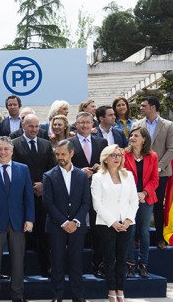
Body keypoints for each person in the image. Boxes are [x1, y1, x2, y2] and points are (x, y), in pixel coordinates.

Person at [0, 136, 34, 302]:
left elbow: (28, 197)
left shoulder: (23, 169)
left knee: (18, 261)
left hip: (18, 222)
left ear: (12, 151)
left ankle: (18, 295)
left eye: (6, 149)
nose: (3, 152)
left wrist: (29, 219)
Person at [42, 139, 91, 302]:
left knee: (76, 262)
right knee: (57, 262)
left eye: (63, 154)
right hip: (57, 227)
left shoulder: (81, 175)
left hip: (77, 227)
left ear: (71, 153)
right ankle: (57, 296)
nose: (60, 157)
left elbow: (86, 201)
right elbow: (48, 203)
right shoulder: (48, 176)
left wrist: (75, 221)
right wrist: (64, 222)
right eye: (57, 154)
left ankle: (78, 296)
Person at [91, 145, 139, 302]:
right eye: (113, 155)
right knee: (110, 259)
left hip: (127, 224)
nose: (117, 158)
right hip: (106, 224)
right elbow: (97, 204)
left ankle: (121, 290)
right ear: (105, 158)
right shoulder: (98, 177)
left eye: (119, 155)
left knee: (123, 257)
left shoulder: (128, 175)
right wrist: (113, 222)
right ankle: (111, 289)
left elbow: (134, 200)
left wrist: (128, 220)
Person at [12, 113, 56, 278]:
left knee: (44, 234)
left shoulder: (46, 144)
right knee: (22, 235)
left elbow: (52, 168)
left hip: (43, 196)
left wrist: (43, 185)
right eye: (31, 126)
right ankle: (19, 270)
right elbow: (15, 168)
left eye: (37, 126)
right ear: (23, 126)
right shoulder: (15, 144)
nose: (34, 129)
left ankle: (46, 267)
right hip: (23, 196)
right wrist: (31, 186)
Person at [68, 111, 108, 278]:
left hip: (97, 191)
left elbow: (110, 165)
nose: (85, 125)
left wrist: (102, 168)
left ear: (93, 124)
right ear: (76, 125)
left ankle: (98, 264)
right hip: (75, 191)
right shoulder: (68, 142)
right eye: (81, 122)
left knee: (98, 229)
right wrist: (78, 172)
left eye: (87, 122)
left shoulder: (102, 142)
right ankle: (73, 267)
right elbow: (62, 166)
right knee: (75, 229)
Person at [132, 96, 173, 249]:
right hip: (139, 172)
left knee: (157, 205)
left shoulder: (168, 125)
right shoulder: (137, 125)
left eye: (143, 105)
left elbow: (171, 148)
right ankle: (135, 238)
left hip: (161, 172)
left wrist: (158, 167)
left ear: (153, 107)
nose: (141, 108)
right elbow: (132, 147)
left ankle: (160, 238)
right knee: (136, 203)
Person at [123, 127, 159, 278]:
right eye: (131, 135)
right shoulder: (124, 154)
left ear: (144, 139)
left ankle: (143, 264)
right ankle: (129, 265)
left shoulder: (152, 156)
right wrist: (134, 195)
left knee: (144, 232)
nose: (132, 137)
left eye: (136, 135)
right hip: (128, 199)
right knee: (130, 232)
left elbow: (155, 179)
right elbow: (121, 176)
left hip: (146, 198)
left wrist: (144, 193)